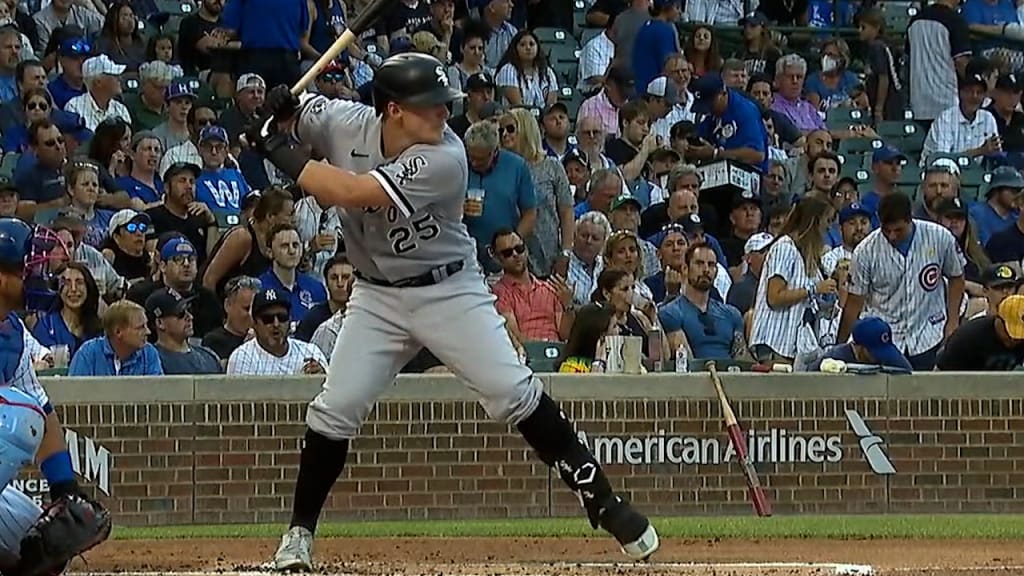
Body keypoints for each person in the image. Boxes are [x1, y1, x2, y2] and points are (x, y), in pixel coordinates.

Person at [244, 52, 659, 572]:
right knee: (335, 407)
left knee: (513, 391)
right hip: (376, 296)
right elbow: (296, 108)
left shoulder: (446, 156)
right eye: (431, 106)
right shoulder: (342, 123)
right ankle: (298, 536)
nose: (444, 113)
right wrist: (280, 109)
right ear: (393, 109)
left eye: (445, 104)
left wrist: (279, 148)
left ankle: (604, 502)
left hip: (449, 290)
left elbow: (351, 190)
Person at [0, 218, 111, 576]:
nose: (41, 276)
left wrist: (66, 490)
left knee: (41, 546)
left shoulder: (13, 331)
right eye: (27, 269)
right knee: (14, 419)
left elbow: (42, 410)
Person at [937, 295, 1024, 371]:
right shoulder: (968, 338)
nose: (1014, 339)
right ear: (999, 320)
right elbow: (946, 376)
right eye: (1010, 334)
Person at [810, 316, 912, 372]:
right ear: (858, 347)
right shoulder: (836, 357)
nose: (880, 358)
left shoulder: (890, 358)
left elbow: (910, 374)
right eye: (874, 352)